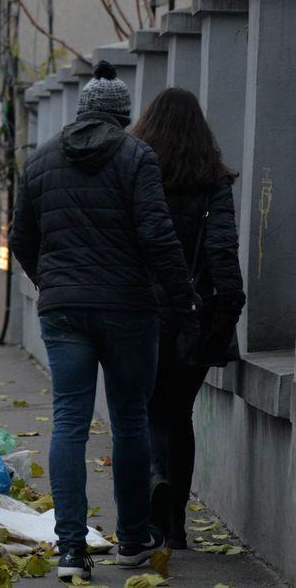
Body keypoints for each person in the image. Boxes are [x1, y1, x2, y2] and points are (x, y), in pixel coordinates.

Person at [10, 61, 198, 582]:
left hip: (64, 310)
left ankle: (71, 550)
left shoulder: (41, 160)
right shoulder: (137, 157)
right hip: (128, 310)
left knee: (69, 420)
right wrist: (183, 300)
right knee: (130, 420)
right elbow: (158, 236)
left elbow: (21, 238)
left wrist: (50, 283)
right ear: (122, 116)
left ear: (81, 111)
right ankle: (133, 540)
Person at [131, 88, 245, 549]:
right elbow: (222, 248)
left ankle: (153, 486)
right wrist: (228, 308)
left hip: (142, 312)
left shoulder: (137, 171)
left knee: (144, 410)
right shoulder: (211, 179)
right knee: (179, 415)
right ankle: (177, 525)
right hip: (194, 318)